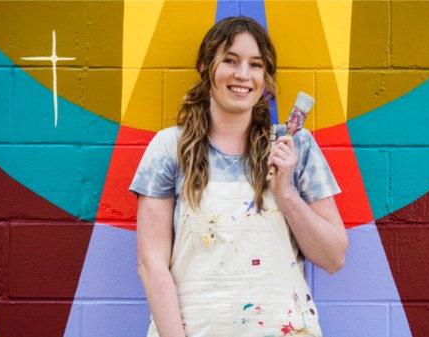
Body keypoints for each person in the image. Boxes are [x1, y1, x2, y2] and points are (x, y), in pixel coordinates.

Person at [129, 16, 348, 337]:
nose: (243, 75)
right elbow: (152, 265)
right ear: (205, 67)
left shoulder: (296, 146)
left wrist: (285, 192)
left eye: (255, 64)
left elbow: (333, 257)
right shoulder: (169, 148)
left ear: (266, 77)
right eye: (230, 61)